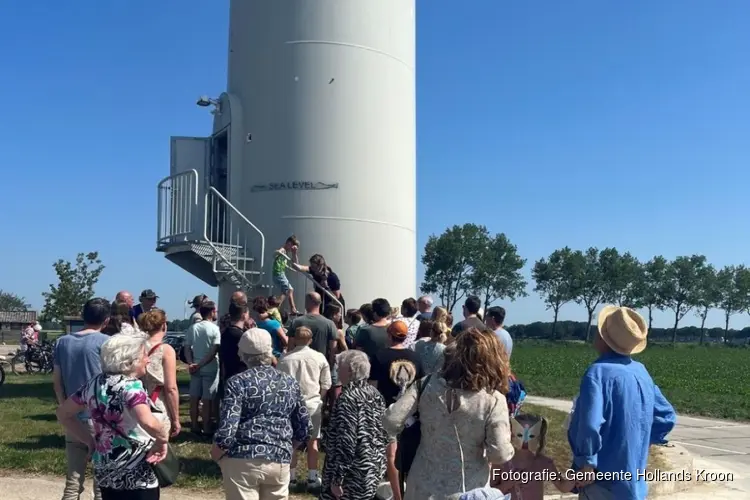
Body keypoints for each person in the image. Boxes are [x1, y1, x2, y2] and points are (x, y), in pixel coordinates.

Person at [383, 327, 515, 499]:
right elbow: (499, 454)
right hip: (467, 488)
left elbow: (391, 421)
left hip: (423, 485)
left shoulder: (426, 384)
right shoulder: (493, 399)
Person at [567, 306, 676, 500]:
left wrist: (587, 462)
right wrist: (641, 442)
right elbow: (666, 416)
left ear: (603, 338)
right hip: (634, 481)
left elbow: (590, 424)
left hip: (602, 482)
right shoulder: (641, 372)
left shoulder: (597, 373)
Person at [56, 334, 170, 500]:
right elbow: (148, 423)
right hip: (136, 469)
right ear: (130, 360)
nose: (148, 360)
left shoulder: (94, 384)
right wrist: (162, 440)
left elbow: (63, 413)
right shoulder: (132, 387)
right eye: (144, 355)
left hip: (106, 468)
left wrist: (89, 441)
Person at [211, 328, 311, 500]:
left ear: (242, 354)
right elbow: (304, 426)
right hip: (279, 458)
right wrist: (287, 446)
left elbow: (228, 428)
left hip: (242, 458)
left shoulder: (237, 383)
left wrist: (216, 452)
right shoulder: (289, 382)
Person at [53, 297, 111, 500]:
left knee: (73, 480)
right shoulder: (107, 343)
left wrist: (65, 408)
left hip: (73, 417)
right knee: (101, 482)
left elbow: (57, 382)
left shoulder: (62, 342)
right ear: (106, 320)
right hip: (101, 418)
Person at [319, 350, 389, 500]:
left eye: (340, 367)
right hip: (373, 466)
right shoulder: (375, 393)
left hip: (352, 473)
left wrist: (337, 478)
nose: (337, 370)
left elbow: (347, 442)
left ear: (350, 370)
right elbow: (383, 432)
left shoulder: (347, 399)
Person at [277, 326, 332, 491]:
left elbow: (279, 384)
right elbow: (326, 383)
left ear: (294, 339)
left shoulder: (285, 359)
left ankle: (291, 477)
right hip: (312, 403)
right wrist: (319, 398)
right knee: (313, 441)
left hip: (291, 405)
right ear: (311, 340)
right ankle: (312, 477)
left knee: (291, 441)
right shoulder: (319, 357)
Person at [494, 414, 573, 499]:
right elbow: (490, 493)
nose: (525, 441)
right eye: (520, 435)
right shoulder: (501, 461)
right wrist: (509, 483)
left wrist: (577, 474)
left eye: (531, 436)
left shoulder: (544, 463)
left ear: (539, 437)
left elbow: (563, 487)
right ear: (511, 434)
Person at [139, 308, 181, 437]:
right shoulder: (166, 350)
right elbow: (171, 388)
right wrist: (176, 419)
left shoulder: (136, 346)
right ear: (164, 325)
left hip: (137, 403)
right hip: (157, 404)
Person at [184, 299, 221, 435]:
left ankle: (194, 425)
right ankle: (206, 427)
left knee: (194, 397)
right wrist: (201, 364)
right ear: (212, 312)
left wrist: (190, 363)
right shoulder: (215, 329)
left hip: (194, 367)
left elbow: (187, 347)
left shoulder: (193, 328)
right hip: (209, 367)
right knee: (207, 399)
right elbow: (214, 350)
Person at [287, 292, 338, 368]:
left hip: (300, 365)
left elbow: (290, 347)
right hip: (321, 366)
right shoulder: (330, 324)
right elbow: (333, 349)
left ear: (308, 302)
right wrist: (329, 366)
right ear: (320, 303)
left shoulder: (296, 322)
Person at [353, 297, 391, 367]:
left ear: (375, 312)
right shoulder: (394, 328)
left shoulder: (365, 330)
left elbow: (359, 353)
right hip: (391, 368)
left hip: (372, 369)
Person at [220, 301, 249, 383]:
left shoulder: (224, 334)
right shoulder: (243, 337)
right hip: (241, 378)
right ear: (243, 316)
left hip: (228, 377)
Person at [272, 235, 301, 315]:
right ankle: (290, 309)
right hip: (278, 273)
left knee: (287, 291)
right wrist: (279, 252)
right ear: (289, 243)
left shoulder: (287, 253)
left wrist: (294, 253)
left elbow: (296, 264)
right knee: (289, 290)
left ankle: (283, 307)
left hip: (281, 274)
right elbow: (276, 253)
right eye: (292, 246)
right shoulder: (283, 250)